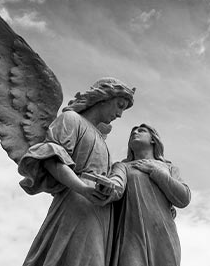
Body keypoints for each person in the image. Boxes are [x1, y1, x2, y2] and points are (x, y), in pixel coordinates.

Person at [16, 78, 136, 266]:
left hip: (100, 211)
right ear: (103, 98)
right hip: (77, 202)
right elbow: (51, 159)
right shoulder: (71, 119)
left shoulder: (101, 140)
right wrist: (82, 188)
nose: (120, 114)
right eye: (119, 105)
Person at [107, 124, 191, 266]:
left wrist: (155, 172)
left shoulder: (168, 168)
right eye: (132, 131)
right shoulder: (123, 166)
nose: (135, 132)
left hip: (163, 233)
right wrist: (106, 187)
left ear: (153, 139)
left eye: (141, 131)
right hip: (131, 234)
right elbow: (116, 185)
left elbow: (184, 198)